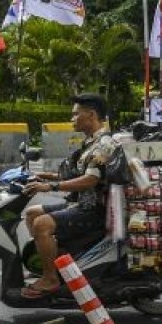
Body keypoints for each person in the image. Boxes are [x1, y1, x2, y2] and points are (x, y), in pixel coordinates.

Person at [20, 93, 118, 299]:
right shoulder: (91, 142)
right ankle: (52, 264)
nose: (72, 119)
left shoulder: (104, 144)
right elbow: (78, 175)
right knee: (31, 214)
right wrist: (42, 176)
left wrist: (50, 186)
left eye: (75, 115)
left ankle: (51, 279)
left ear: (91, 115)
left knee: (42, 224)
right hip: (79, 203)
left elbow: (90, 180)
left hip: (92, 210)